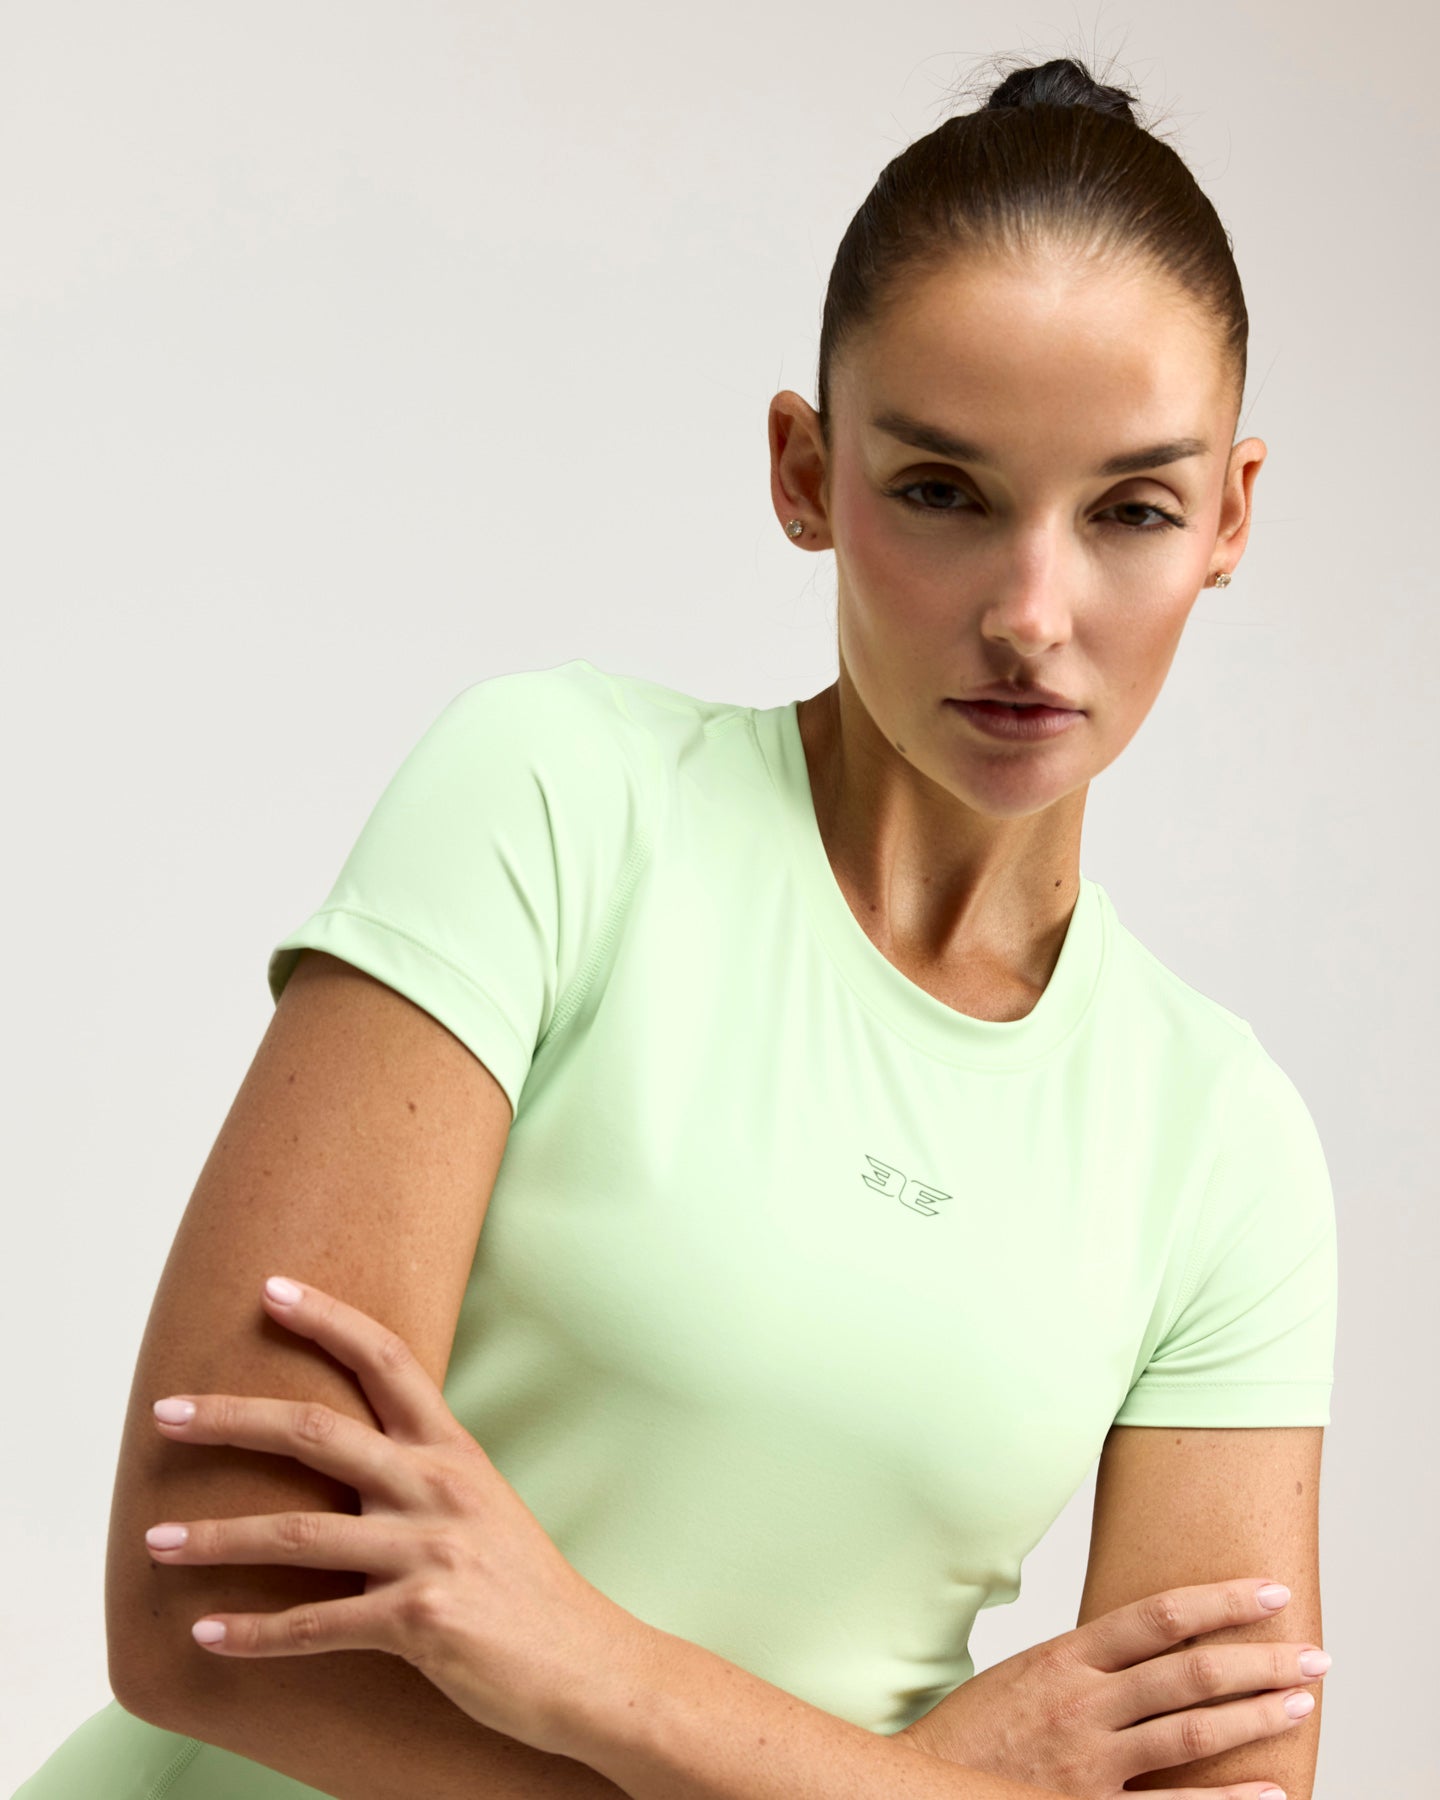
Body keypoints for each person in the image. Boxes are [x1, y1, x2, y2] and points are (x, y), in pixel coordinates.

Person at [17, 51, 1336, 1800]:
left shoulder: (1222, 1150)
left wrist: (585, 1667)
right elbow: (208, 1605)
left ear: (1228, 517)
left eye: (1131, 512)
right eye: (941, 491)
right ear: (806, 471)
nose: (1033, 612)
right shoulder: (558, 803)